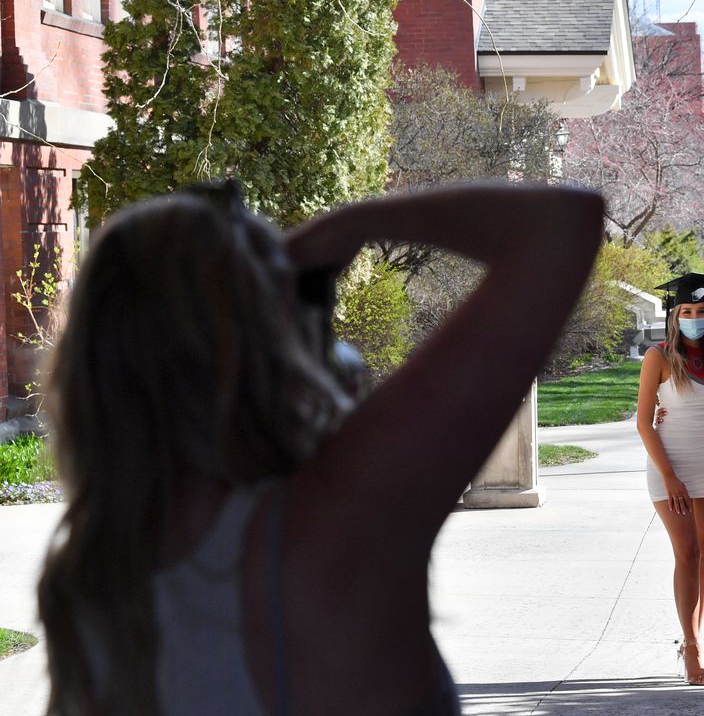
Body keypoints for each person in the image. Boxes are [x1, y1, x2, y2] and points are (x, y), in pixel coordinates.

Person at [38, 179, 603, 715]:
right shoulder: (334, 521)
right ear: (262, 335)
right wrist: (350, 225)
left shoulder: (84, 581)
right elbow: (560, 224)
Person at [634, 272, 704, 686]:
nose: (694, 318)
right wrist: (669, 476)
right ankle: (691, 650)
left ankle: (697, 640)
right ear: (675, 316)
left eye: (702, 312)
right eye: (686, 311)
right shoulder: (658, 356)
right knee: (686, 552)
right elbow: (643, 423)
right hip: (670, 465)